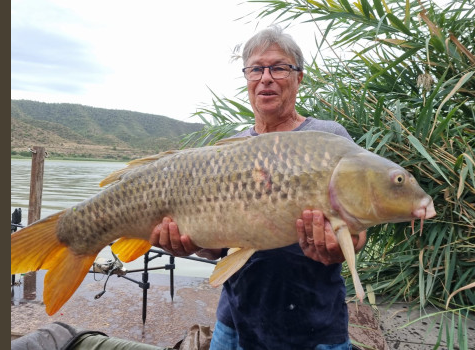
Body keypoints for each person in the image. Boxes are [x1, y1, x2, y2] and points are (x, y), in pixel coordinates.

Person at [149, 25, 367, 350]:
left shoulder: (328, 138)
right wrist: (187, 244)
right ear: (248, 78)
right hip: (235, 324)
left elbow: (358, 231)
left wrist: (343, 244)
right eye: (256, 68)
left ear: (299, 77)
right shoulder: (229, 149)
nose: (266, 77)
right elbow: (217, 248)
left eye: (278, 67)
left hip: (315, 329)